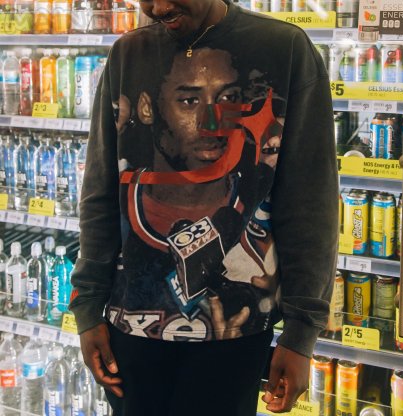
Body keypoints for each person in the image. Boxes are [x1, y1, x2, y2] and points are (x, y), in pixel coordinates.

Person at [69, 1, 339, 415]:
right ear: (148, 108)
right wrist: (88, 308)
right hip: (130, 337)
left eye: (228, 97)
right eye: (188, 101)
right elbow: (100, 191)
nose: (158, 7)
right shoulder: (128, 53)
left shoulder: (286, 49)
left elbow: (309, 201)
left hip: (237, 339)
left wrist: (302, 332)